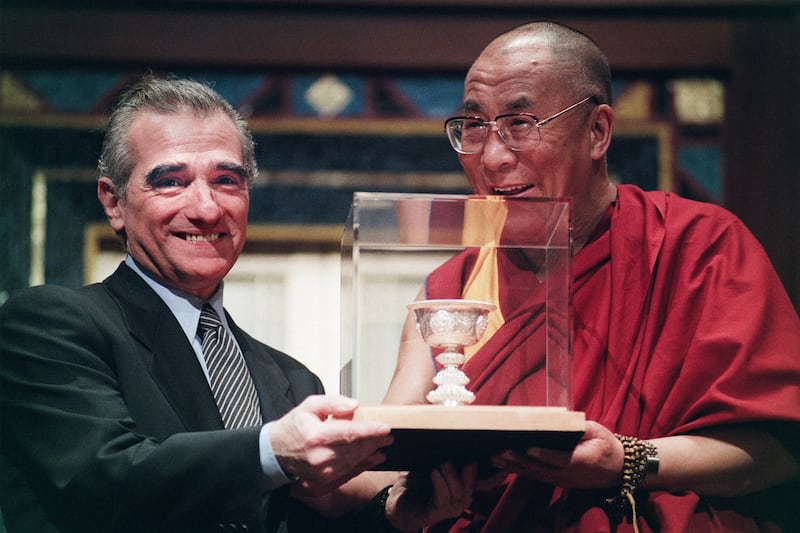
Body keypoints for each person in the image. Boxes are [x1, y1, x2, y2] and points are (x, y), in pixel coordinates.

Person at [0, 75, 474, 532]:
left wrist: (393, 517)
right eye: (171, 181)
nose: (206, 207)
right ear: (114, 202)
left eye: (226, 180)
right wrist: (270, 452)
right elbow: (105, 478)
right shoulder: (51, 325)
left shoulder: (288, 378)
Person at [379, 21, 800, 531]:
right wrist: (396, 501)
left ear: (597, 132)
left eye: (520, 122)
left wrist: (627, 462)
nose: (491, 157)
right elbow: (385, 449)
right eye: (473, 126)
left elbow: (780, 449)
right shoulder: (452, 287)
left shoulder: (697, 246)